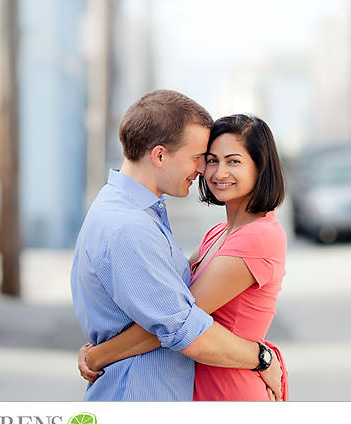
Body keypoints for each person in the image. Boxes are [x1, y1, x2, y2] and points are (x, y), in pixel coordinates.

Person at [70, 90, 283, 401]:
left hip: (216, 391)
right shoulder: (131, 226)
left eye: (232, 161)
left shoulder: (132, 213)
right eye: (204, 158)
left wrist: (98, 355)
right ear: (159, 156)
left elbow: (178, 316)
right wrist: (261, 356)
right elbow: (180, 323)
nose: (205, 171)